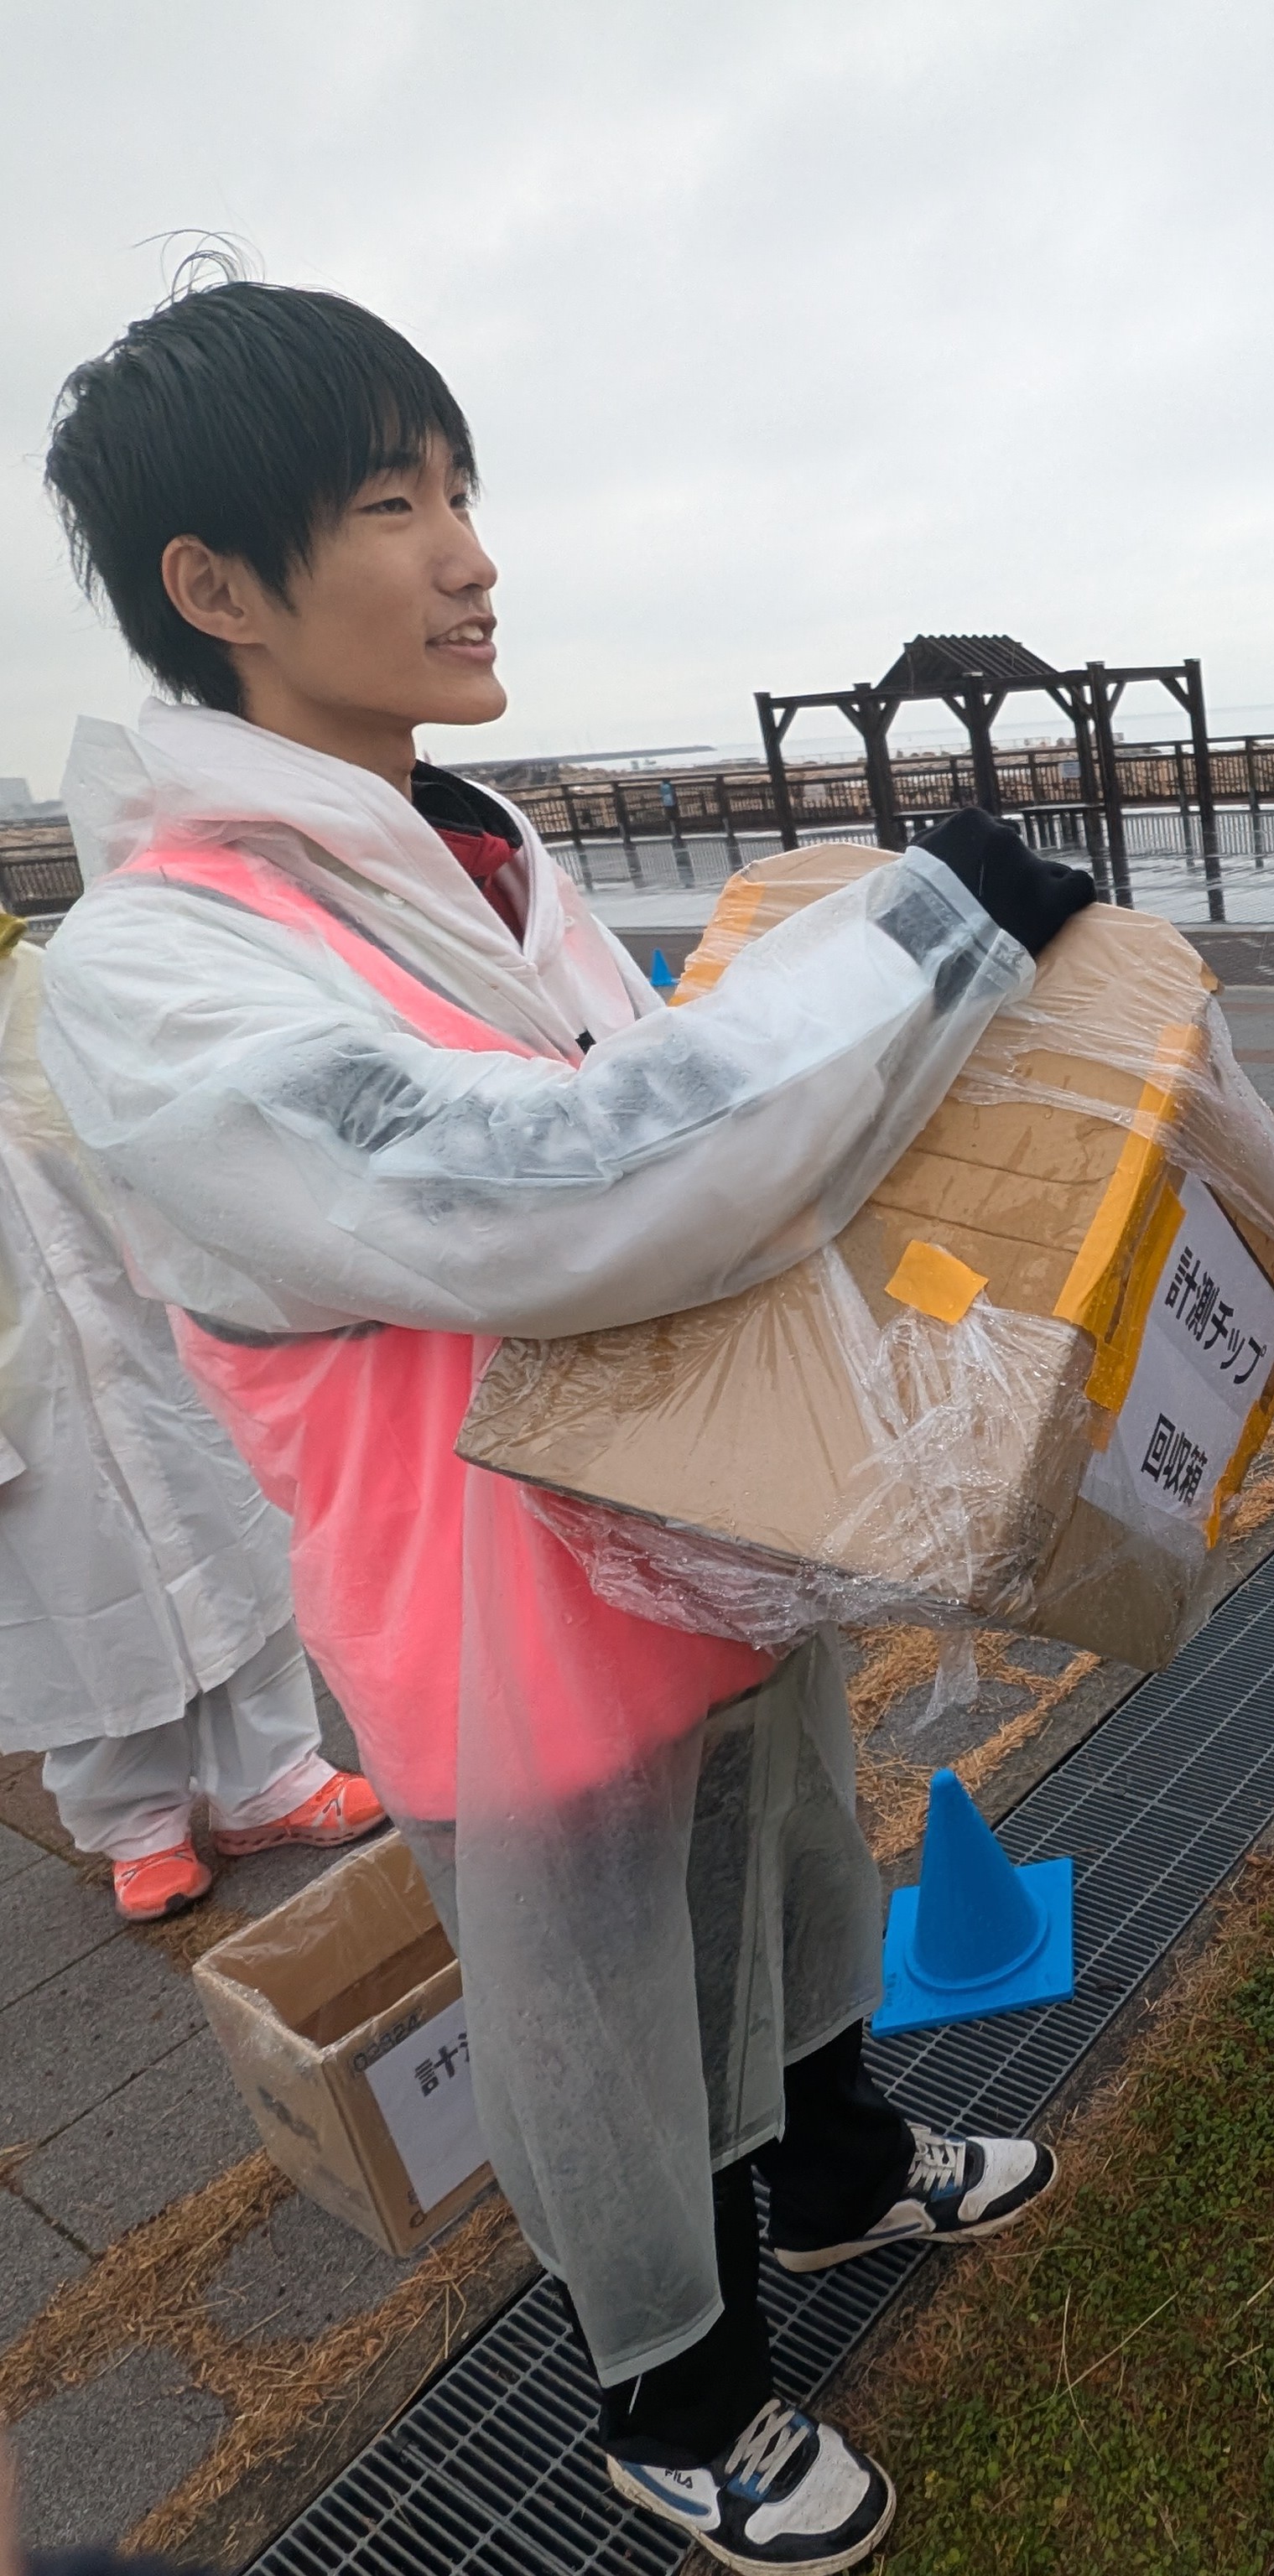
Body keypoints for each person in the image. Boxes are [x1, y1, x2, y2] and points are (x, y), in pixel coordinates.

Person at [39, 278, 1089, 2573]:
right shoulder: (159, 965)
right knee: (599, 2014)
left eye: (462, 491)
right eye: (393, 505)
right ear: (213, 591)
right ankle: (673, 2393)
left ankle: (831, 2171)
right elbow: (575, 1190)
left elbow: (690, 1119)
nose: (467, 552)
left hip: (706, 1520)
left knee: (803, 1857)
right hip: (500, 1603)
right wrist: (932, 931)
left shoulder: (477, 851)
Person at [0, 904, 382, 1923]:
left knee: (240, 1553)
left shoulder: (60, 991)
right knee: (78, 1612)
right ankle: (138, 1826)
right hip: (25, 1405)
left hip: (154, 1340)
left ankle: (272, 1780)